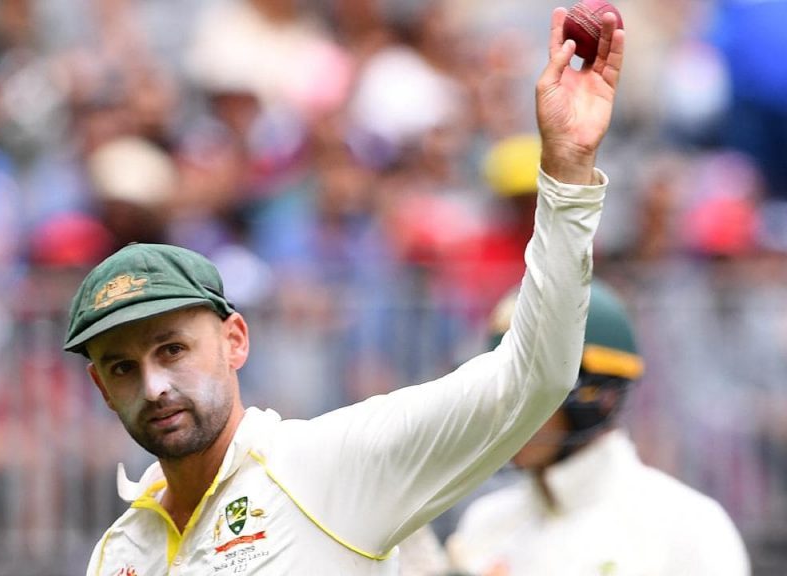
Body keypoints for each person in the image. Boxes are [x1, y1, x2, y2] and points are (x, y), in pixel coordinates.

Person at [64, 7, 624, 574]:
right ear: (102, 388)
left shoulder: (331, 467)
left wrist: (567, 172)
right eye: (122, 367)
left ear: (235, 340)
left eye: (172, 349)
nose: (154, 386)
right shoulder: (120, 552)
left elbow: (533, 378)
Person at [442, 282, 751, 575]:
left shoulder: (687, 527)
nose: (507, 414)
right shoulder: (485, 524)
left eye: (527, 392)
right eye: (500, 390)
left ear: (602, 395)